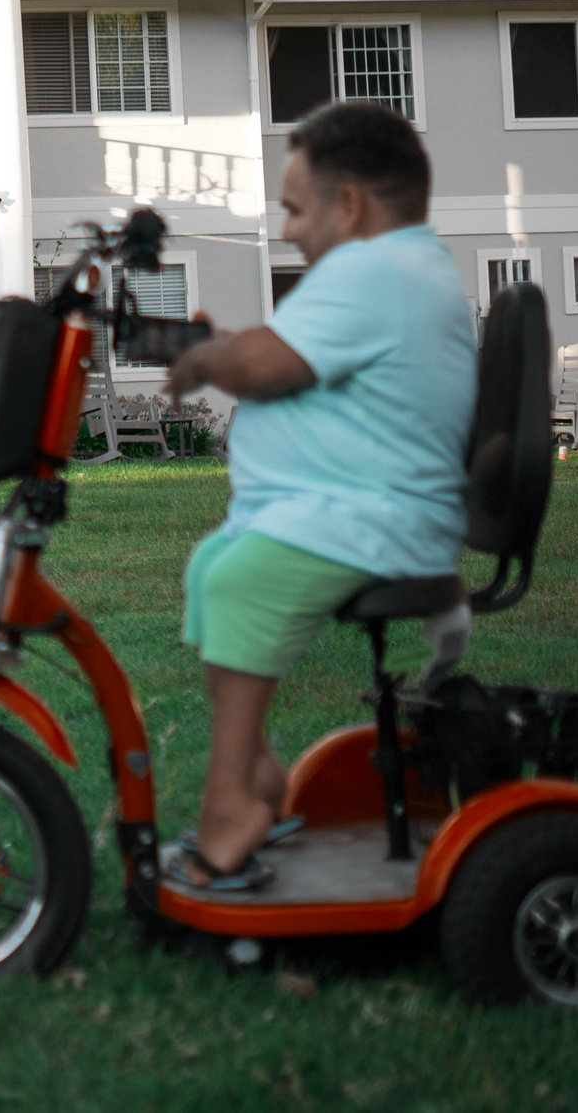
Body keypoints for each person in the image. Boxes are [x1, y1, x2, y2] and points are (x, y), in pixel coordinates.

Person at [161, 101, 477, 890]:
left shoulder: (377, 268)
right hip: (351, 507)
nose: (289, 230)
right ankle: (258, 769)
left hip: (377, 519)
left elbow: (270, 362)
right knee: (214, 566)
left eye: (296, 209)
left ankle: (233, 802)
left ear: (349, 204)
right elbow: (284, 355)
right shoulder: (398, 267)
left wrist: (205, 355)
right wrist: (225, 349)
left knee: (241, 578)